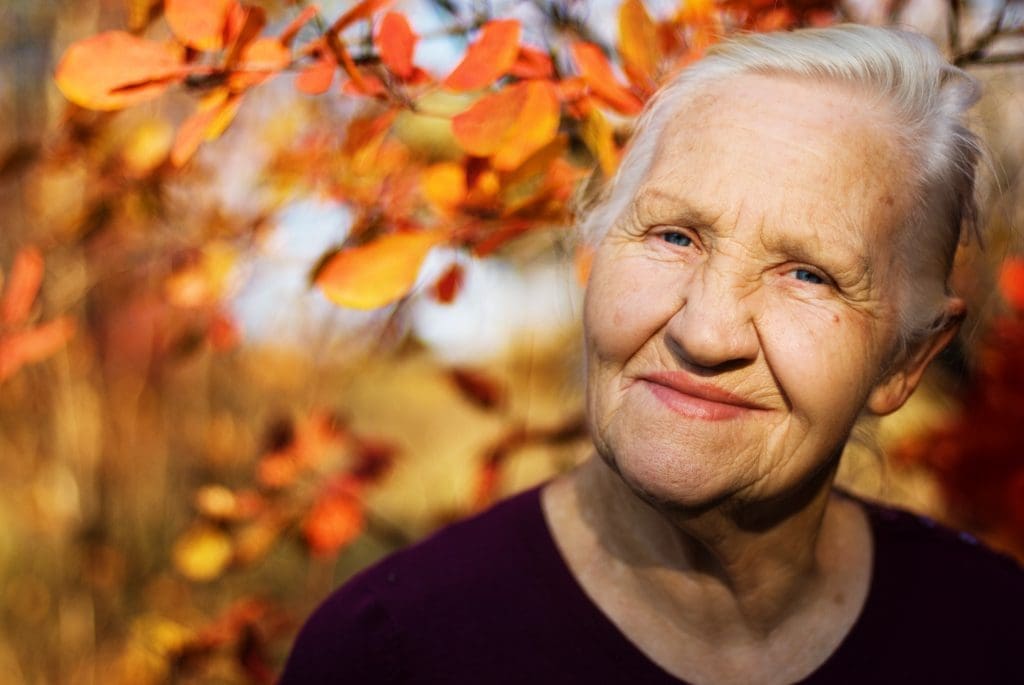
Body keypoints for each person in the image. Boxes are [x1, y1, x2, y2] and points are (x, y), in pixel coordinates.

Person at [279, 25, 1023, 684]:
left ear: (907, 361)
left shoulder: (994, 638)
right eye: (674, 236)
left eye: (808, 274)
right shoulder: (388, 654)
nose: (704, 332)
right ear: (595, 254)